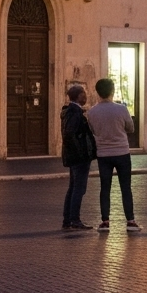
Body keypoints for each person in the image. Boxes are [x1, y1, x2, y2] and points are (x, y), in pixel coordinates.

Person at [89, 78, 140, 232]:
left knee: (105, 188)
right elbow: (130, 128)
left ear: (97, 92)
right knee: (126, 187)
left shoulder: (92, 112)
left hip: (103, 153)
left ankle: (105, 221)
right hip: (122, 152)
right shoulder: (122, 109)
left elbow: (93, 130)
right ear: (112, 91)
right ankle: (130, 221)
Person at [60, 85, 97, 231]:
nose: (86, 96)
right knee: (78, 189)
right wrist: (81, 151)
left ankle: (67, 220)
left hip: (73, 156)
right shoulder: (75, 113)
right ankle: (74, 219)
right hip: (79, 157)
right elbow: (70, 134)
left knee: (73, 188)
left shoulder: (69, 112)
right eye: (84, 94)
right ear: (78, 96)